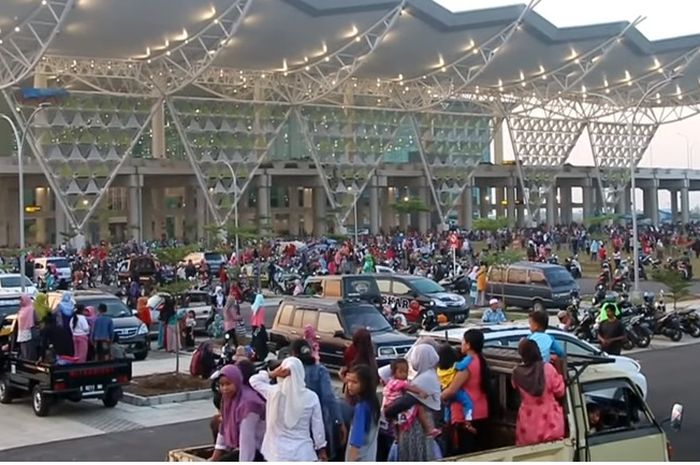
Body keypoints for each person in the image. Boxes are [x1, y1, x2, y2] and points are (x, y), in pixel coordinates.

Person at [249, 357, 327, 462]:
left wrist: (273, 373)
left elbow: (254, 380)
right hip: (303, 453)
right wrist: (321, 449)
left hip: (276, 454)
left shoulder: (273, 393)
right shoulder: (311, 397)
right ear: (301, 372)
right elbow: (318, 428)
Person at [384, 344, 442, 461]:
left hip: (417, 428)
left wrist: (388, 412)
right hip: (417, 424)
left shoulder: (424, 379)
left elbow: (404, 403)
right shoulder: (427, 375)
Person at [290, 339, 346, 461]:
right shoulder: (320, 370)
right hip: (319, 423)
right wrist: (339, 421)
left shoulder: (288, 372)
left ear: (293, 354)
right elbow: (329, 398)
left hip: (294, 425)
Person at [441, 330, 490, 456]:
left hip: (466, 415)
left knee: (465, 454)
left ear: (468, 345)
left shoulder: (466, 365)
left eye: (463, 341)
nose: (461, 343)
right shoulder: (481, 360)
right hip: (482, 411)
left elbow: (452, 390)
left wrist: (437, 396)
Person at [512, 339, 565, 446]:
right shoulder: (548, 369)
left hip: (527, 422)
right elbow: (560, 391)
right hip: (549, 421)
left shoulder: (516, 372)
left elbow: (515, 388)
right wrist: (560, 372)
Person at [211, 365, 266, 462]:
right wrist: (214, 458)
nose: (224, 388)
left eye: (228, 384)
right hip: (240, 447)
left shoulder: (248, 404)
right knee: (215, 422)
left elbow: (247, 441)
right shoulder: (228, 399)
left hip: (259, 450)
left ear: (237, 382)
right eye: (222, 385)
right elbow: (223, 428)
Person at [381, 358, 438, 440]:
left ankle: (397, 439)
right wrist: (420, 392)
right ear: (394, 373)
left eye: (406, 372)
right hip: (396, 406)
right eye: (401, 372)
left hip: (393, 407)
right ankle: (428, 429)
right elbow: (409, 387)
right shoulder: (396, 382)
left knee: (397, 425)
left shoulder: (391, 382)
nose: (404, 374)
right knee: (419, 406)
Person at [436, 344, 475, 434]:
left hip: (445, 390)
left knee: (448, 407)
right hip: (456, 391)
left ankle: (446, 421)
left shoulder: (439, 370)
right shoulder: (455, 366)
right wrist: (470, 357)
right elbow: (464, 364)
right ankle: (468, 421)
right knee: (468, 403)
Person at [346, 364, 381, 461]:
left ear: (365, 384)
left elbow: (356, 441)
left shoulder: (361, 407)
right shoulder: (373, 403)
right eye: (348, 381)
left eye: (355, 382)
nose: (350, 385)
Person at [16, 295, 37, 361]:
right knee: (23, 349)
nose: (20, 302)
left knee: (29, 350)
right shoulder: (22, 309)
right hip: (21, 332)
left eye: (21, 300)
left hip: (29, 332)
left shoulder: (31, 309)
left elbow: (35, 319)